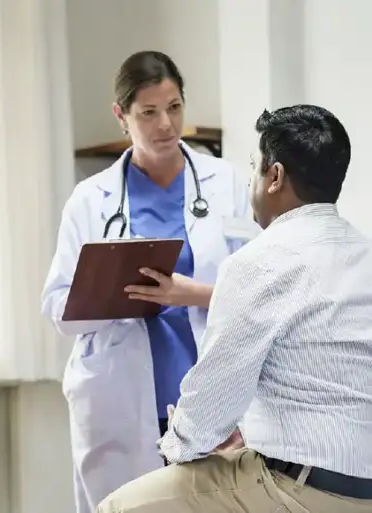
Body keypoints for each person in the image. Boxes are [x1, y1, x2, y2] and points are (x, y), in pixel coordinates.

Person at [96, 104, 372, 513]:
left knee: (119, 507)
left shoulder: (257, 261)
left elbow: (208, 406)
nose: (250, 183)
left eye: (254, 168)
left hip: (296, 488)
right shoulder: (363, 253)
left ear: (274, 176)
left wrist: (177, 445)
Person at [40, 50, 259, 513]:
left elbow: (258, 289)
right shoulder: (89, 200)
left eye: (175, 107)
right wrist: (111, 293)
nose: (166, 124)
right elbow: (57, 305)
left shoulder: (226, 183)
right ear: (122, 116)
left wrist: (190, 294)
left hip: (204, 390)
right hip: (119, 394)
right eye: (149, 113)